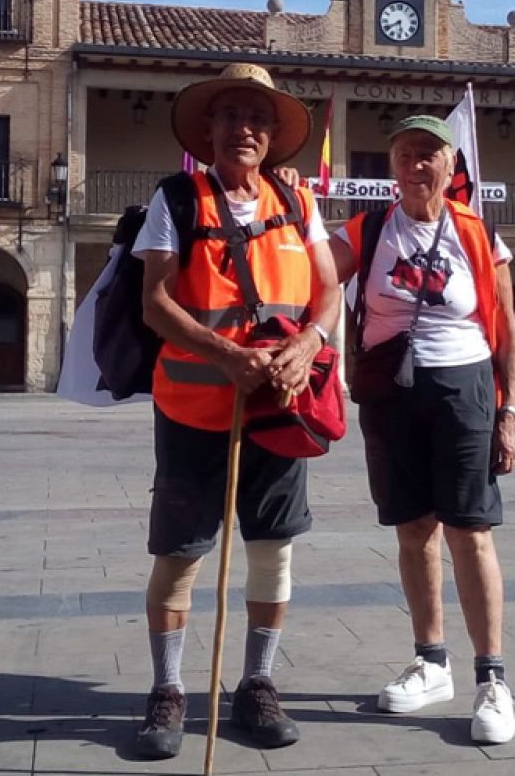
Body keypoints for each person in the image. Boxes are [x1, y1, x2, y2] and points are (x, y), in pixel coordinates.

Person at [131, 63, 341, 759]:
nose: (244, 128)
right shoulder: (176, 197)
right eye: (230, 116)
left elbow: (329, 293)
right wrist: (225, 354)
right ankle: (168, 689)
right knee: (180, 554)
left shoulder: (300, 203)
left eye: (258, 118)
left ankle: (256, 682)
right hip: (193, 406)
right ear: (208, 130)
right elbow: (155, 301)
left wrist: (309, 343)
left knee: (272, 552)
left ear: (274, 134)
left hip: (278, 408)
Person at [328, 115, 515, 744]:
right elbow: (309, 267)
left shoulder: (477, 232)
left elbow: (510, 334)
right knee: (413, 528)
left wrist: (510, 413)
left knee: (470, 531)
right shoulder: (369, 228)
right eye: (405, 155)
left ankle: (492, 679)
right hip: (390, 391)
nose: (416, 166)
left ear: (449, 166)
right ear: (392, 166)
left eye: (428, 155)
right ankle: (431, 661)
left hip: (462, 387)